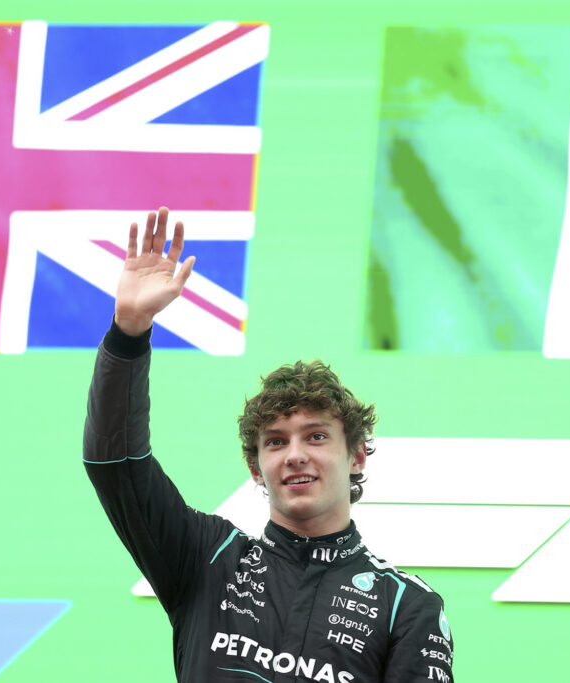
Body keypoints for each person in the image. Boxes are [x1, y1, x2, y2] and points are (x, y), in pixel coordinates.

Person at [84, 208, 455, 682]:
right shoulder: (205, 559)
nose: (295, 454)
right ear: (257, 469)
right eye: (275, 442)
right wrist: (129, 332)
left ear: (357, 454)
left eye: (316, 436)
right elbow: (114, 464)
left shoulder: (406, 606)